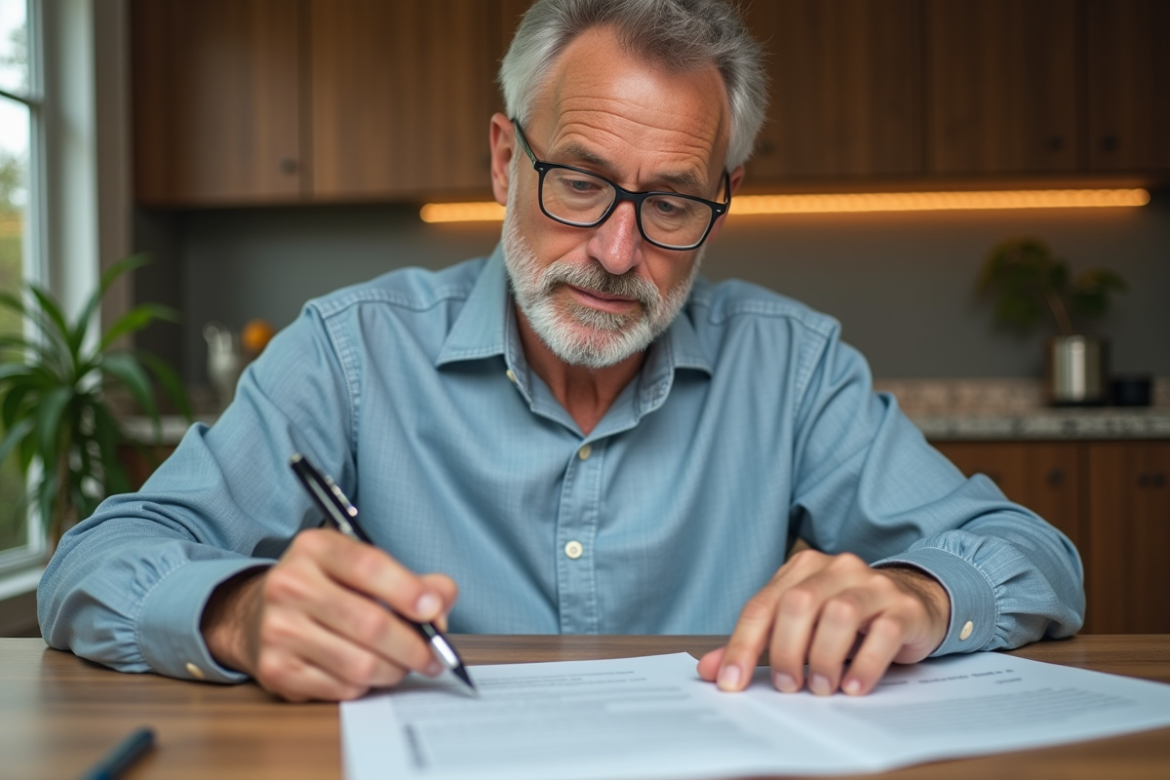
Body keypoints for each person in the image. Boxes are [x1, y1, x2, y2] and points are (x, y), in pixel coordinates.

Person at [39, 0, 1083, 703]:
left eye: (671, 200)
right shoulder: (349, 352)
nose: (617, 251)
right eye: (578, 181)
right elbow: (91, 566)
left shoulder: (794, 370)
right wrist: (237, 611)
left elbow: (1036, 558)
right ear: (505, 160)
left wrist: (919, 596)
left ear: (719, 209)